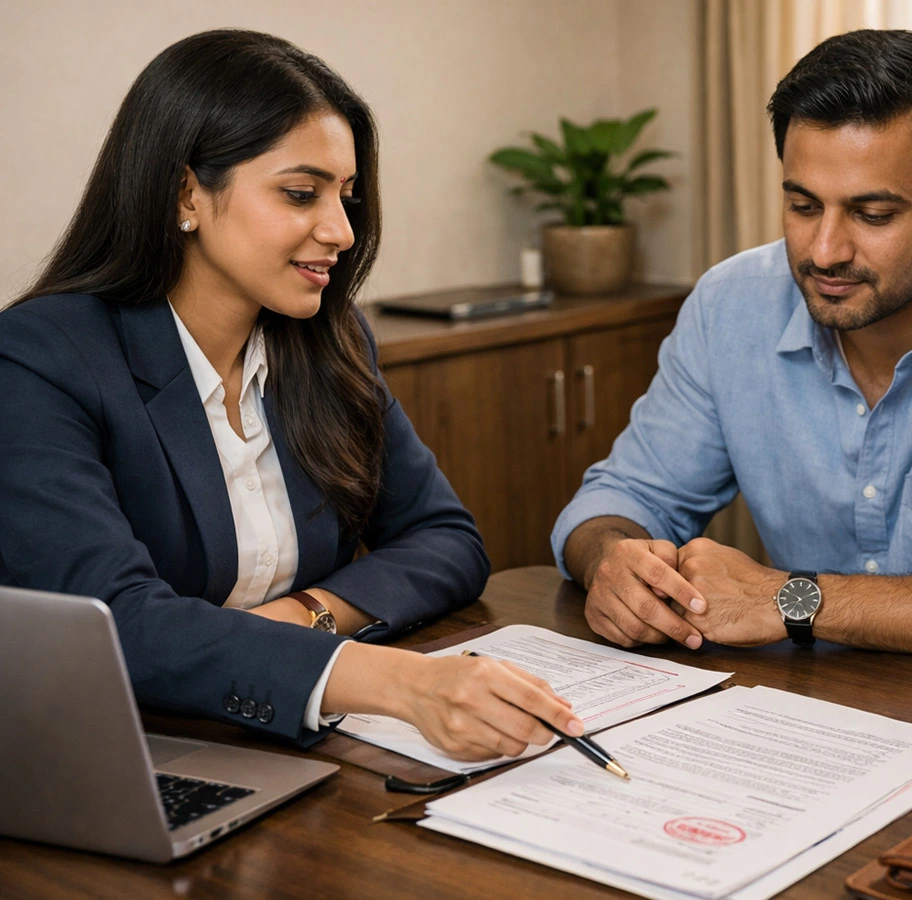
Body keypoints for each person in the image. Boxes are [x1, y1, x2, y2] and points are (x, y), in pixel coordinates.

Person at [0, 30, 582, 760]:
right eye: (301, 193)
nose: (340, 231)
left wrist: (304, 616)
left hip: (284, 746)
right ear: (186, 192)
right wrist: (391, 682)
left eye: (346, 195)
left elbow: (447, 540)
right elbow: (115, 624)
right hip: (122, 759)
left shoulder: (328, 342)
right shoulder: (41, 358)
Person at [553, 30, 912, 663]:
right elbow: (623, 498)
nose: (824, 251)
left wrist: (794, 600)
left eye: (872, 214)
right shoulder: (731, 304)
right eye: (801, 204)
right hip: (801, 710)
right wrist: (610, 558)